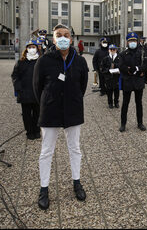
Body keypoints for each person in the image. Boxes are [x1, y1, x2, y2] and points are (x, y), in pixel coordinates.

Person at [33, 24, 89, 210]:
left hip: (73, 110)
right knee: (46, 151)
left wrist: (72, 99)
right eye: (59, 35)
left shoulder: (79, 60)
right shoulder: (44, 60)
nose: (63, 38)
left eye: (66, 35)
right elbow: (37, 88)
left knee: (75, 148)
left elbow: (82, 86)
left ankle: (76, 182)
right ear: (54, 39)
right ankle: (44, 188)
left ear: (71, 39)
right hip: (50, 111)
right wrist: (48, 101)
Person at [118, 32, 147, 132]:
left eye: (134, 41)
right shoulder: (123, 54)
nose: (133, 42)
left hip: (138, 81)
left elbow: (146, 65)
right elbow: (120, 66)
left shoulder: (142, 53)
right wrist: (128, 69)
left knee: (139, 103)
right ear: (127, 42)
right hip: (127, 81)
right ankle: (123, 124)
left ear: (137, 42)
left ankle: (140, 123)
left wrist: (137, 69)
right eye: (131, 41)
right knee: (125, 104)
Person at [11, 40, 41, 140]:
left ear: (37, 48)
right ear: (26, 49)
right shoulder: (21, 62)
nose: (32, 49)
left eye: (34, 47)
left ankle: (36, 130)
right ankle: (29, 131)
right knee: (26, 114)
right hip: (25, 92)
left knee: (37, 113)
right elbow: (15, 75)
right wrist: (18, 87)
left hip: (37, 93)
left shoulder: (40, 61)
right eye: (30, 47)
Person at [100, 44, 121, 109]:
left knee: (117, 91)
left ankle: (116, 102)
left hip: (117, 77)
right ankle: (110, 103)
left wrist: (117, 68)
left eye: (113, 49)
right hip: (108, 78)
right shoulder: (105, 59)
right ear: (109, 50)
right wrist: (108, 70)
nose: (112, 50)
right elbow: (102, 68)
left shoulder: (119, 58)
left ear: (116, 50)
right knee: (109, 91)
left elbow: (122, 66)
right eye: (111, 49)